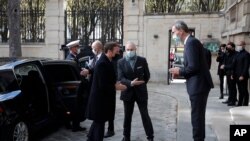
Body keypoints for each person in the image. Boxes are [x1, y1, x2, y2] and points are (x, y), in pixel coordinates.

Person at [169, 20, 214, 141]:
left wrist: (180, 71)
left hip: (198, 85)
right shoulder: (191, 42)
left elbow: (193, 66)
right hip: (199, 84)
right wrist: (182, 72)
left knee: (197, 117)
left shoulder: (191, 43)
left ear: (181, 31)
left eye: (174, 32)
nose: (173, 35)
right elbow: (194, 65)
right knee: (198, 116)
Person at [86, 42, 127, 141]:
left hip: (103, 100)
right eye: (116, 51)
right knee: (99, 127)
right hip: (100, 101)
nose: (117, 53)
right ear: (109, 51)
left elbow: (108, 78)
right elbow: (103, 85)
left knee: (97, 123)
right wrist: (117, 87)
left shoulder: (107, 60)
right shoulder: (102, 63)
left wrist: (115, 83)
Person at [118, 41, 154, 141]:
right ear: (125, 50)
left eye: (131, 49)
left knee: (145, 115)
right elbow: (121, 78)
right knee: (127, 116)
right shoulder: (121, 62)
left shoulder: (142, 60)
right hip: (127, 92)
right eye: (128, 50)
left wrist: (141, 84)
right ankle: (126, 136)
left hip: (141, 92)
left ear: (135, 49)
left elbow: (147, 75)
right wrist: (131, 83)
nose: (130, 51)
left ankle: (150, 136)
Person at [65, 40, 87, 132]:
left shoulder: (73, 57)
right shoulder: (71, 59)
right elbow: (75, 72)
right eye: (77, 47)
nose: (78, 49)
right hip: (75, 86)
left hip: (75, 85)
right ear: (72, 48)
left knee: (75, 106)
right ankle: (75, 126)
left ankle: (71, 124)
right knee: (76, 106)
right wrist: (83, 73)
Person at [104, 45, 123, 138]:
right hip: (106, 88)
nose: (118, 52)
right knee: (103, 112)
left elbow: (118, 70)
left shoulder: (116, 58)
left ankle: (110, 129)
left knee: (110, 110)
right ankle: (95, 130)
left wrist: (117, 82)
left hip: (111, 88)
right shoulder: (103, 59)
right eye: (116, 50)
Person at [233, 41, 250, 106]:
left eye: (240, 45)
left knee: (244, 90)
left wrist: (242, 75)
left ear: (243, 45)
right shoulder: (238, 54)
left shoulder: (246, 54)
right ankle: (240, 103)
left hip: (243, 75)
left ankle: (245, 103)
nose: (238, 46)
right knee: (240, 90)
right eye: (238, 45)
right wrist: (233, 74)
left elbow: (246, 66)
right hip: (237, 75)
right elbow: (235, 65)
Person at [221, 42, 238, 106]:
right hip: (228, 73)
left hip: (232, 73)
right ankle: (230, 99)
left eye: (229, 47)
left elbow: (233, 65)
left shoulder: (236, 54)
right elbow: (223, 60)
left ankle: (233, 100)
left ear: (233, 47)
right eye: (227, 47)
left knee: (233, 88)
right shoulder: (228, 54)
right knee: (230, 87)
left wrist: (225, 66)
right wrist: (224, 53)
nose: (227, 49)